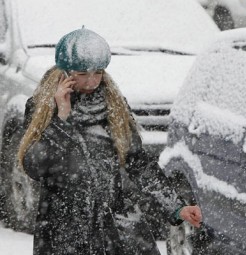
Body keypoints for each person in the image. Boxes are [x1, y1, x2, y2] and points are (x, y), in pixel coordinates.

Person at [17, 28, 202, 255]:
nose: (92, 80)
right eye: (83, 73)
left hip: (116, 228)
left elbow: (139, 163)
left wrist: (177, 207)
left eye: (98, 73)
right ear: (64, 71)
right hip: (64, 230)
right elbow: (34, 166)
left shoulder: (113, 106)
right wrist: (61, 120)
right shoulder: (43, 107)